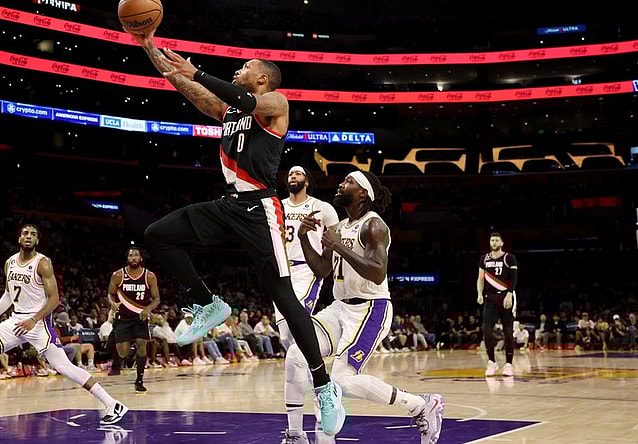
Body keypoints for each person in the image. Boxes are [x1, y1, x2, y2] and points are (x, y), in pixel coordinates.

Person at [131, 29, 344, 433]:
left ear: (263, 77)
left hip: (262, 209)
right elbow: (185, 86)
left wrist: (198, 70)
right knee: (158, 234)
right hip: (229, 205)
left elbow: (241, 98)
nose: (240, 69)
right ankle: (208, 303)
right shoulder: (230, 112)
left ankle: (323, 384)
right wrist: (147, 45)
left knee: (284, 297)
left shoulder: (276, 103)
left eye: (247, 66)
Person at [282, 170, 444, 444]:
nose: (341, 184)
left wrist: (338, 247)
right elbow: (322, 270)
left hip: (369, 309)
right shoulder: (339, 228)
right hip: (339, 307)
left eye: (348, 182)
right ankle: (296, 435)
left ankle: (420, 404)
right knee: (297, 355)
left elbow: (378, 272)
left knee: (343, 380)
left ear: (363, 193)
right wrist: (302, 238)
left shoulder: (374, 226)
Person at [0, 224, 127, 430]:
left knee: (63, 367)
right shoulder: (10, 263)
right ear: (19, 238)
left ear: (37, 241)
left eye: (33, 234)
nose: (29, 236)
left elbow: (54, 300)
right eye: (25, 233)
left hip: (38, 323)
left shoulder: (43, 263)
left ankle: (113, 404)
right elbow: (9, 294)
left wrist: (33, 320)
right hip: (15, 321)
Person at [278, 165, 339, 352]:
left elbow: (336, 235)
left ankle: (313, 369)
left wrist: (329, 261)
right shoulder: (278, 206)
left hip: (306, 269)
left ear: (306, 181)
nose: (292, 176)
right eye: (290, 174)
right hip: (281, 269)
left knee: (297, 321)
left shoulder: (321, 207)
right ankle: (304, 365)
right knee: (284, 335)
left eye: (297, 173)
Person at [105, 247, 159, 392]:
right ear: (127, 259)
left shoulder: (149, 276)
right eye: (131, 256)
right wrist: (112, 303)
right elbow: (110, 294)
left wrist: (148, 309)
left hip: (140, 317)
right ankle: (131, 352)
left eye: (136, 255)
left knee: (143, 344)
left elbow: (157, 298)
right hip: (122, 318)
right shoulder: (118, 275)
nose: (133, 258)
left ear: (141, 258)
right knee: (123, 352)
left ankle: (139, 380)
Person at [477, 231, 518, 377]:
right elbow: (480, 279)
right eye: (492, 240)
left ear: (501, 243)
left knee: (508, 332)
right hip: (490, 298)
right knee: (486, 329)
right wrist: (479, 294)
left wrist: (509, 294)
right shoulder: (484, 259)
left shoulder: (509, 258)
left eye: (496, 240)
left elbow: (514, 279)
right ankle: (492, 362)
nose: (494, 243)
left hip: (506, 297)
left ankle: (508, 364)